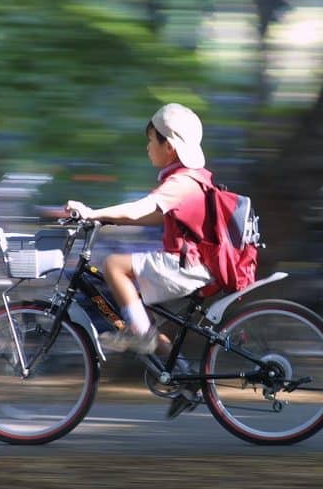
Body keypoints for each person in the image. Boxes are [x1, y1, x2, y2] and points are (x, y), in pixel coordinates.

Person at [65, 103, 215, 418]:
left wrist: (93, 212)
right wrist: (106, 219)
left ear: (169, 146)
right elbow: (149, 216)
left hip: (185, 265)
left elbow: (137, 209)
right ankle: (185, 378)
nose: (147, 147)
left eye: (151, 141)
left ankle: (139, 334)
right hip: (192, 264)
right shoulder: (190, 179)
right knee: (139, 314)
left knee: (114, 266)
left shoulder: (181, 182)